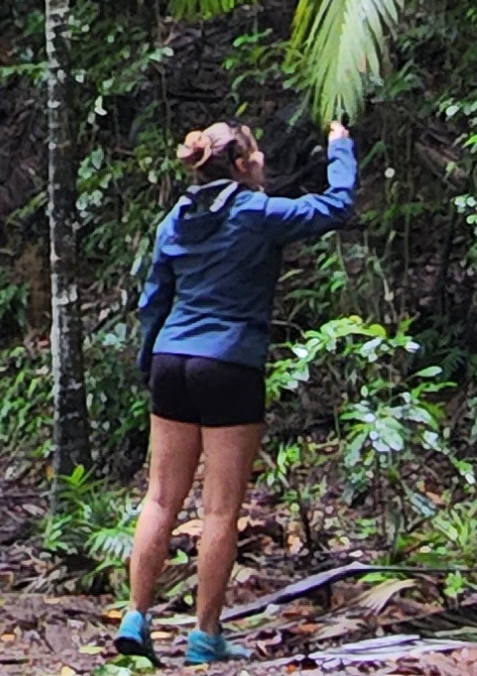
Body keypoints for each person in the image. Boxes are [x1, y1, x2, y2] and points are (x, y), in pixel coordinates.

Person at [115, 117, 356, 666]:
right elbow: (337, 207)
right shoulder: (256, 213)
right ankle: (204, 636)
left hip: (172, 361)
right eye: (259, 154)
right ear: (244, 165)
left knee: (160, 497)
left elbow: (154, 300)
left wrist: (149, 363)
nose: (265, 160)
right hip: (227, 363)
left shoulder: (176, 219)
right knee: (220, 510)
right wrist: (340, 149)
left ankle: (135, 616)